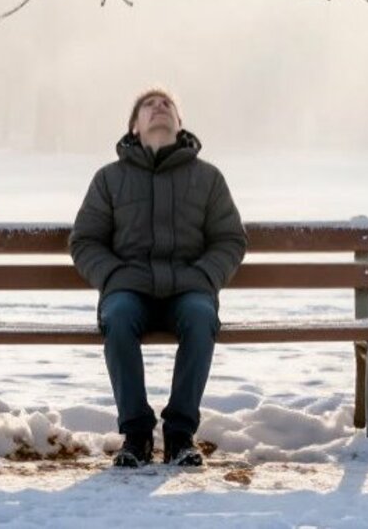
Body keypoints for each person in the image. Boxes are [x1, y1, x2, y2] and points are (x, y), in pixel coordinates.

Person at [69, 87, 247, 468]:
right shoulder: (109, 179)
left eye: (167, 105)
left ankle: (180, 435)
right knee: (116, 317)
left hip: (189, 288)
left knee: (201, 317)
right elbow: (85, 241)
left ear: (180, 124)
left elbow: (229, 239)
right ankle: (136, 436)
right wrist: (114, 275)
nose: (159, 108)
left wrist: (204, 276)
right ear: (134, 127)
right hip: (128, 288)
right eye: (148, 105)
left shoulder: (208, 178)